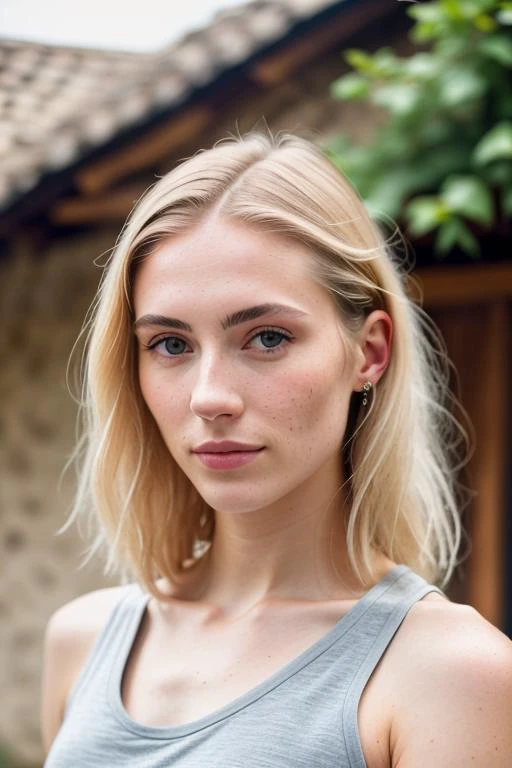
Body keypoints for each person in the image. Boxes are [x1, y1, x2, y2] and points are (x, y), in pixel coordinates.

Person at [41, 131, 512, 767]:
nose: (210, 397)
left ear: (369, 352)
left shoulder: (449, 674)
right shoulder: (85, 641)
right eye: (171, 345)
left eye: (266, 337)